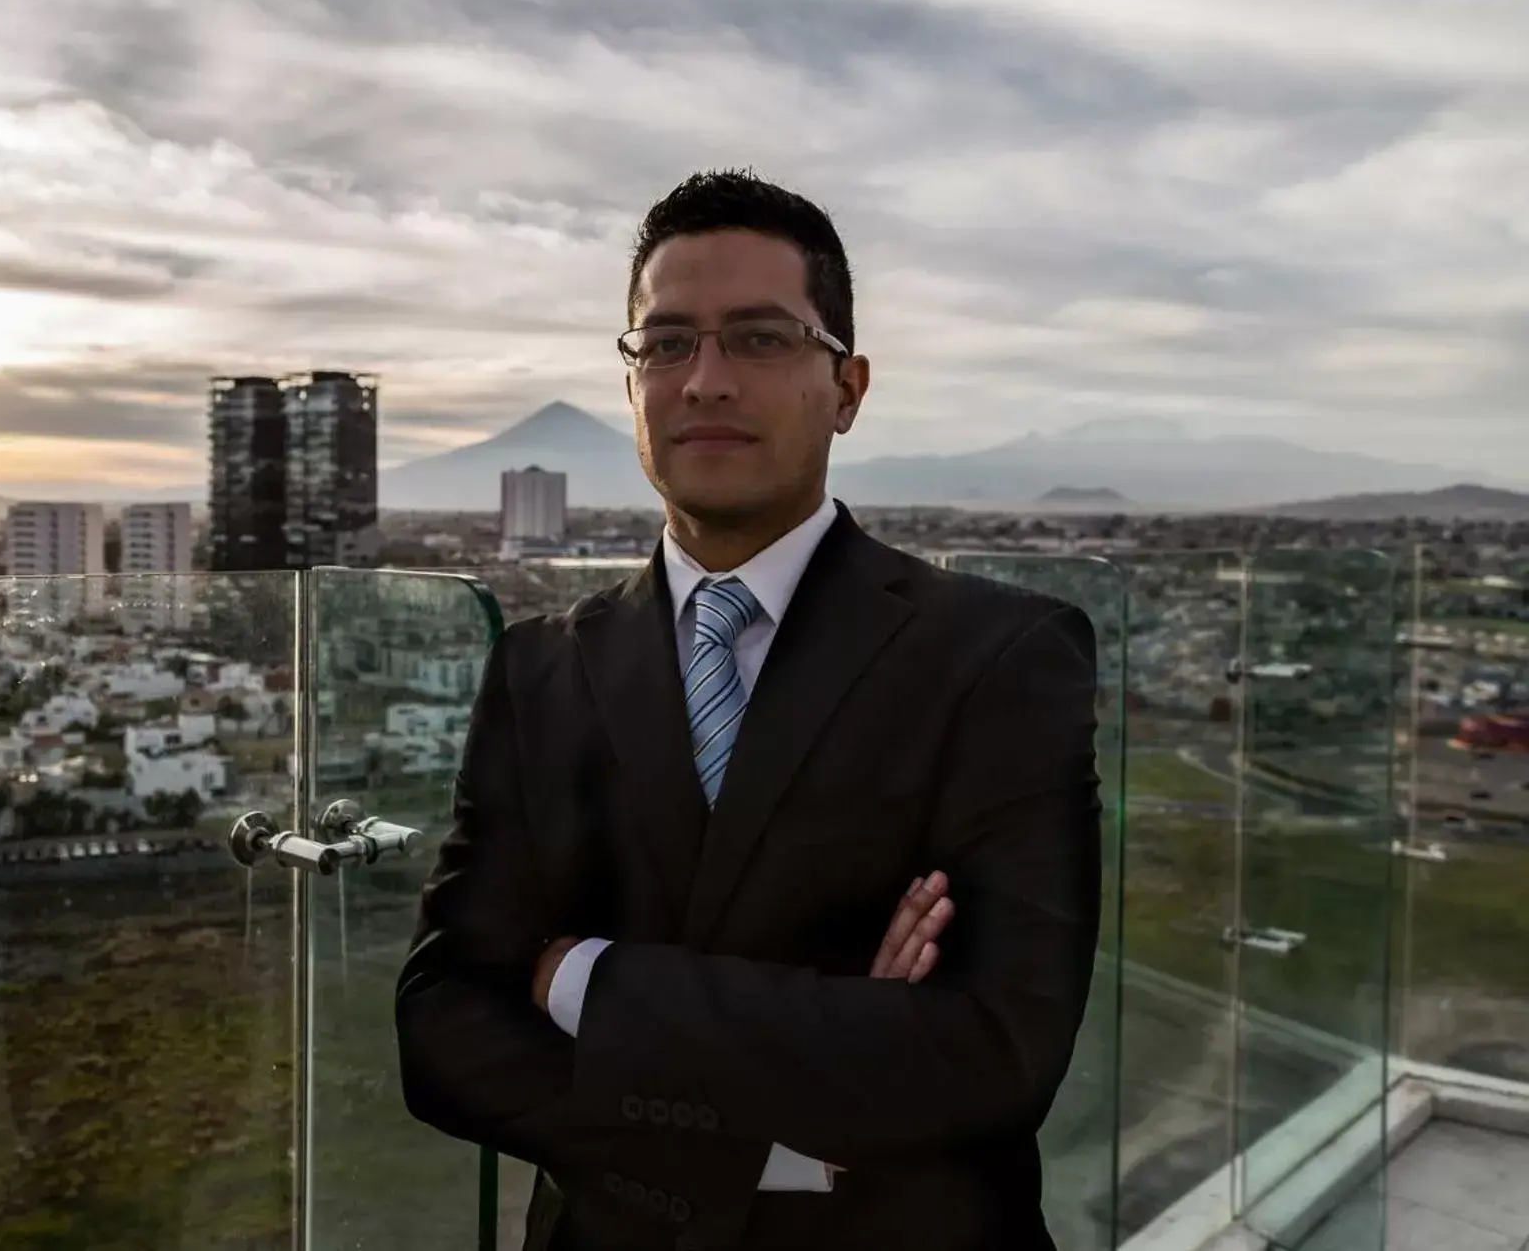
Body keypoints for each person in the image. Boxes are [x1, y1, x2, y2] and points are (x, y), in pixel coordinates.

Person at [395, 169, 1102, 1250]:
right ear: (630, 382)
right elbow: (441, 1027)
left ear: (849, 387)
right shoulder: (540, 669)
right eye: (666, 343)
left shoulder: (998, 657)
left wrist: (584, 978)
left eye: (760, 339)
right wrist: (792, 1108)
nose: (705, 381)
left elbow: (993, 1051)